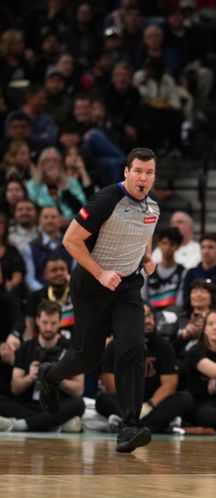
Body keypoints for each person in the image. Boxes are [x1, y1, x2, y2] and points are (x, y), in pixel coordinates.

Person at [37, 147, 163, 454]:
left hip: (128, 285)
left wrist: (147, 257)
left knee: (133, 347)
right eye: (138, 171)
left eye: (149, 173)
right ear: (126, 172)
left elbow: (139, 237)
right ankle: (50, 375)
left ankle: (129, 425)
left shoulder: (154, 209)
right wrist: (101, 272)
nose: (143, 178)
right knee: (86, 356)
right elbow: (70, 240)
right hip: (92, 283)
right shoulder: (106, 199)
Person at [96, 304, 193, 434]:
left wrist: (149, 405)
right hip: (126, 401)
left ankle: (130, 426)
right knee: (102, 398)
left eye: (150, 315)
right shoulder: (114, 346)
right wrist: (133, 407)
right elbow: (111, 385)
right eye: (143, 317)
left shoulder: (163, 345)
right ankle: (155, 425)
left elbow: (170, 385)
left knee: (185, 399)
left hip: (155, 401)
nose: (149, 320)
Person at [0, 301, 85, 433]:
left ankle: (19, 425)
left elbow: (79, 389)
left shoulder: (70, 348)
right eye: (45, 322)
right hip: (28, 405)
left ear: (60, 322)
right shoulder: (26, 347)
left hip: (58, 405)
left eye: (53, 323)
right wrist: (30, 377)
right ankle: (56, 425)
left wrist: (56, 378)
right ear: (37, 320)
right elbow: (15, 388)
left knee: (78, 403)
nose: (49, 328)